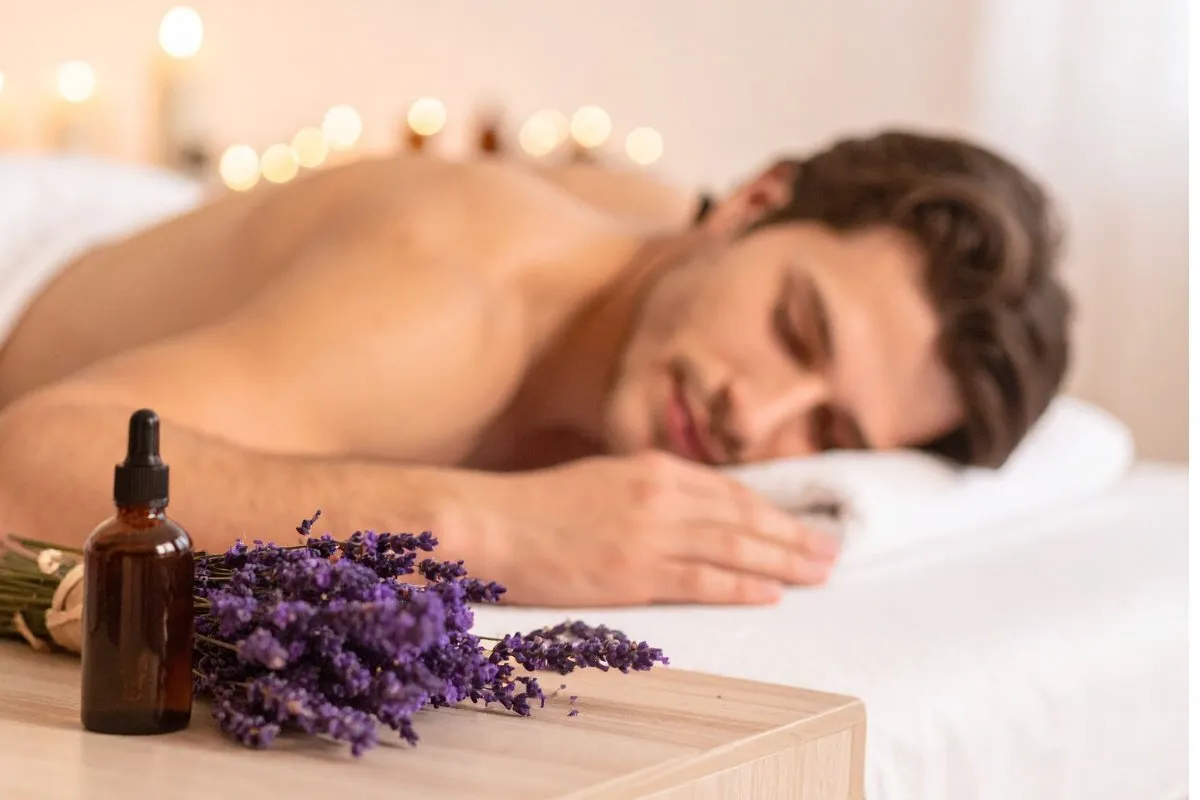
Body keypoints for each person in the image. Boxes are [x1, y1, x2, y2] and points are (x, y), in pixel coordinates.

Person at [0, 129, 1070, 607]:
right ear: (751, 203)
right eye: (796, 330)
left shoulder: (680, 268)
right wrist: (492, 531)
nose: (762, 419)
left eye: (832, 430)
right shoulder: (441, 298)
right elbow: (31, 458)